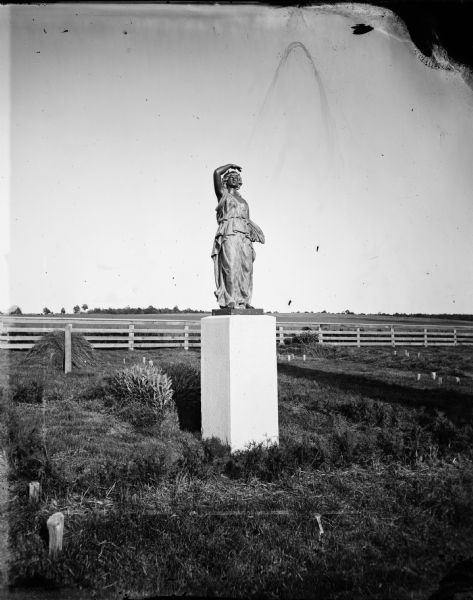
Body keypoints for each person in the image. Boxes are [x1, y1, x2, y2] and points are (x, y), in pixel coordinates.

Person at [211, 163, 265, 309]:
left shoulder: (243, 200)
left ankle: (244, 301)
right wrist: (229, 166)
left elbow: (247, 220)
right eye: (232, 177)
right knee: (231, 267)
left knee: (246, 268)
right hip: (229, 233)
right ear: (226, 180)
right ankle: (230, 300)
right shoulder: (223, 195)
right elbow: (216, 173)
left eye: (237, 177)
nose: (235, 178)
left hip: (244, 237)